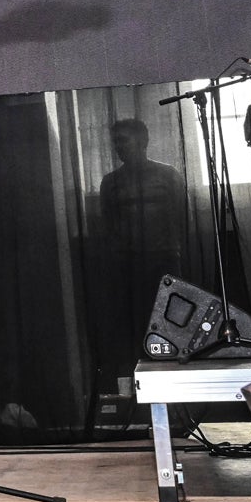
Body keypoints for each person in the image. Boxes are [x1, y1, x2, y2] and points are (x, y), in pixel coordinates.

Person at [92, 117, 190, 392]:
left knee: (168, 323)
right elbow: (108, 224)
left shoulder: (167, 175)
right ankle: (139, 388)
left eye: (123, 140)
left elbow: (181, 216)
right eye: (115, 142)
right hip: (127, 264)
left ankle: (176, 387)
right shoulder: (111, 182)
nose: (118, 147)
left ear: (142, 141)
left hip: (164, 260)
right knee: (133, 326)